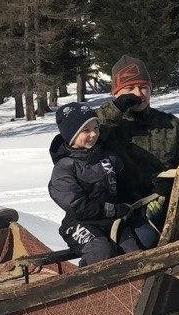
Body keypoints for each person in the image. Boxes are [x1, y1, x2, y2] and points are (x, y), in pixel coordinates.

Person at [96, 56, 179, 228]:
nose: (138, 94)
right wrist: (115, 109)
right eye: (130, 88)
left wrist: (173, 184)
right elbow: (77, 142)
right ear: (116, 93)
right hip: (118, 214)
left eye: (143, 87)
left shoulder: (172, 125)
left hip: (165, 210)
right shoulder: (100, 126)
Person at [47, 102, 149, 265]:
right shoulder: (64, 167)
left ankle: (137, 281)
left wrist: (144, 197)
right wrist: (113, 210)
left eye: (96, 128)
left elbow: (128, 187)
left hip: (112, 220)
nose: (93, 134)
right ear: (71, 134)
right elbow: (77, 206)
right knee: (100, 248)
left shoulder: (108, 158)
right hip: (79, 223)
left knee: (134, 251)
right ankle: (86, 279)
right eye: (86, 130)